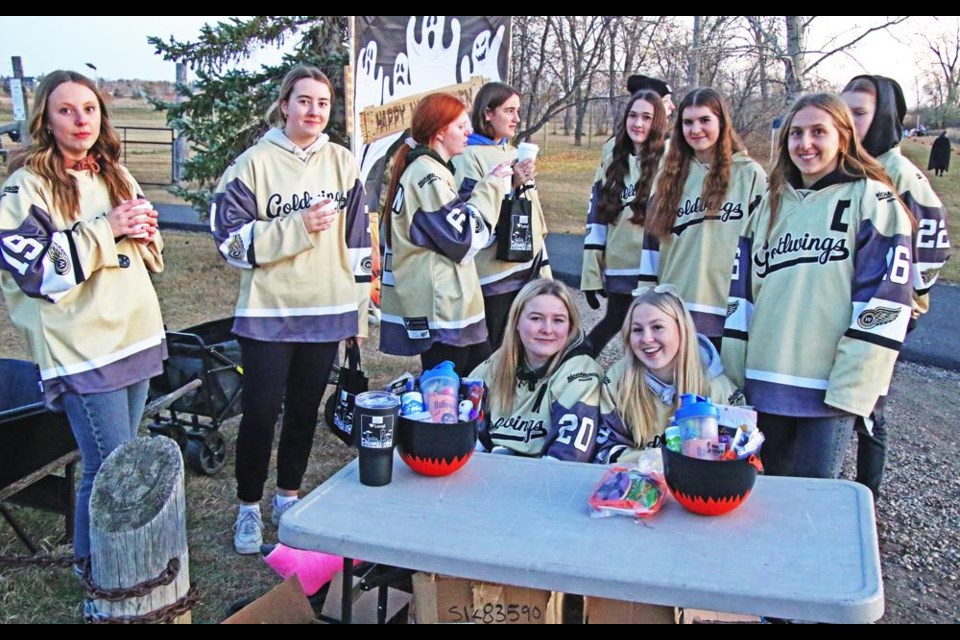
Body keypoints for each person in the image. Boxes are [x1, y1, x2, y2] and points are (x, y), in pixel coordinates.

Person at [0, 71, 166, 570]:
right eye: (66, 110)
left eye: (89, 109)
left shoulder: (112, 171)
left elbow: (145, 254)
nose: (80, 120)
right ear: (45, 120)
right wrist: (108, 228)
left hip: (134, 334)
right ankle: (96, 570)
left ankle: (118, 563)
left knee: (122, 460)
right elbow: (36, 271)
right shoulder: (25, 185)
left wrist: (142, 230)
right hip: (82, 346)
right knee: (107, 467)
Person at [210, 65, 372, 554]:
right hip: (269, 314)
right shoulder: (252, 165)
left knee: (303, 412)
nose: (314, 111)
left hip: (326, 313)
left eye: (322, 103)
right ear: (284, 105)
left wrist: (358, 314)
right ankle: (247, 508)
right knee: (260, 414)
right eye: (304, 101)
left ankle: (288, 497)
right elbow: (229, 242)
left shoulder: (344, 163)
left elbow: (359, 243)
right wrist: (295, 226)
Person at [722, 93, 915, 480]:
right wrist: (733, 375)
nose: (804, 143)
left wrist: (852, 388)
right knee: (765, 500)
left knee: (812, 508)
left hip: (827, 394)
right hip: (765, 385)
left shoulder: (873, 199)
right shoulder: (770, 204)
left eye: (818, 132)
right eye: (796, 133)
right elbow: (742, 295)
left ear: (843, 137)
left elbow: (885, 303)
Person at [842, 74, 951, 497]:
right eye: (845, 110)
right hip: (845, 305)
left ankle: (867, 494)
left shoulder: (901, 174)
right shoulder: (848, 164)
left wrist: (904, 305)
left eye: (860, 113)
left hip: (886, 314)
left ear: (883, 115)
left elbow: (934, 249)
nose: (850, 122)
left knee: (870, 406)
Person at [379, 93, 512, 375]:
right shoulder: (427, 176)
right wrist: (492, 187)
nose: (470, 132)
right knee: (446, 397)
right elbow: (463, 238)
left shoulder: (434, 171)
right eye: (461, 126)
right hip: (442, 309)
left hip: (453, 305)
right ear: (440, 131)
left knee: (478, 380)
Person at [640, 87, 767, 351]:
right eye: (688, 122)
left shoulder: (749, 174)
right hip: (674, 309)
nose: (695, 129)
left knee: (719, 390)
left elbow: (762, 249)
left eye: (704, 120)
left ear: (721, 121)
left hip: (727, 311)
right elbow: (651, 249)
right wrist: (645, 301)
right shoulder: (668, 178)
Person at [469, 278, 623, 461]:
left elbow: (567, 458)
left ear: (571, 327)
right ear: (516, 322)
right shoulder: (499, 361)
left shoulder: (581, 373)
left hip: (547, 478)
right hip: (493, 471)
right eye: (536, 318)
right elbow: (465, 424)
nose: (547, 329)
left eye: (558, 320)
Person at [452, 82, 552, 351]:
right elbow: (470, 210)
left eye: (517, 111)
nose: (516, 118)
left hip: (526, 265)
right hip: (493, 274)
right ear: (487, 113)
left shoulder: (513, 151)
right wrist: (510, 185)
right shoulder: (467, 156)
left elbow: (531, 210)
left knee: (523, 346)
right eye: (509, 110)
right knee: (495, 348)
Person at [600, 284, 744, 463]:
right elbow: (603, 451)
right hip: (637, 484)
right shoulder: (617, 381)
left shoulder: (718, 388)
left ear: (681, 329)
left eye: (657, 327)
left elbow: (741, 456)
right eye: (637, 329)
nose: (646, 338)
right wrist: (655, 462)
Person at [581, 90, 668, 357]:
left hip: (656, 269)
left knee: (651, 332)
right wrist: (591, 273)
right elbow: (596, 220)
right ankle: (574, 372)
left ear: (659, 122)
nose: (638, 124)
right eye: (633, 116)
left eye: (646, 117)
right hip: (620, 266)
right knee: (615, 322)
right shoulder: (612, 159)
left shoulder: (672, 161)